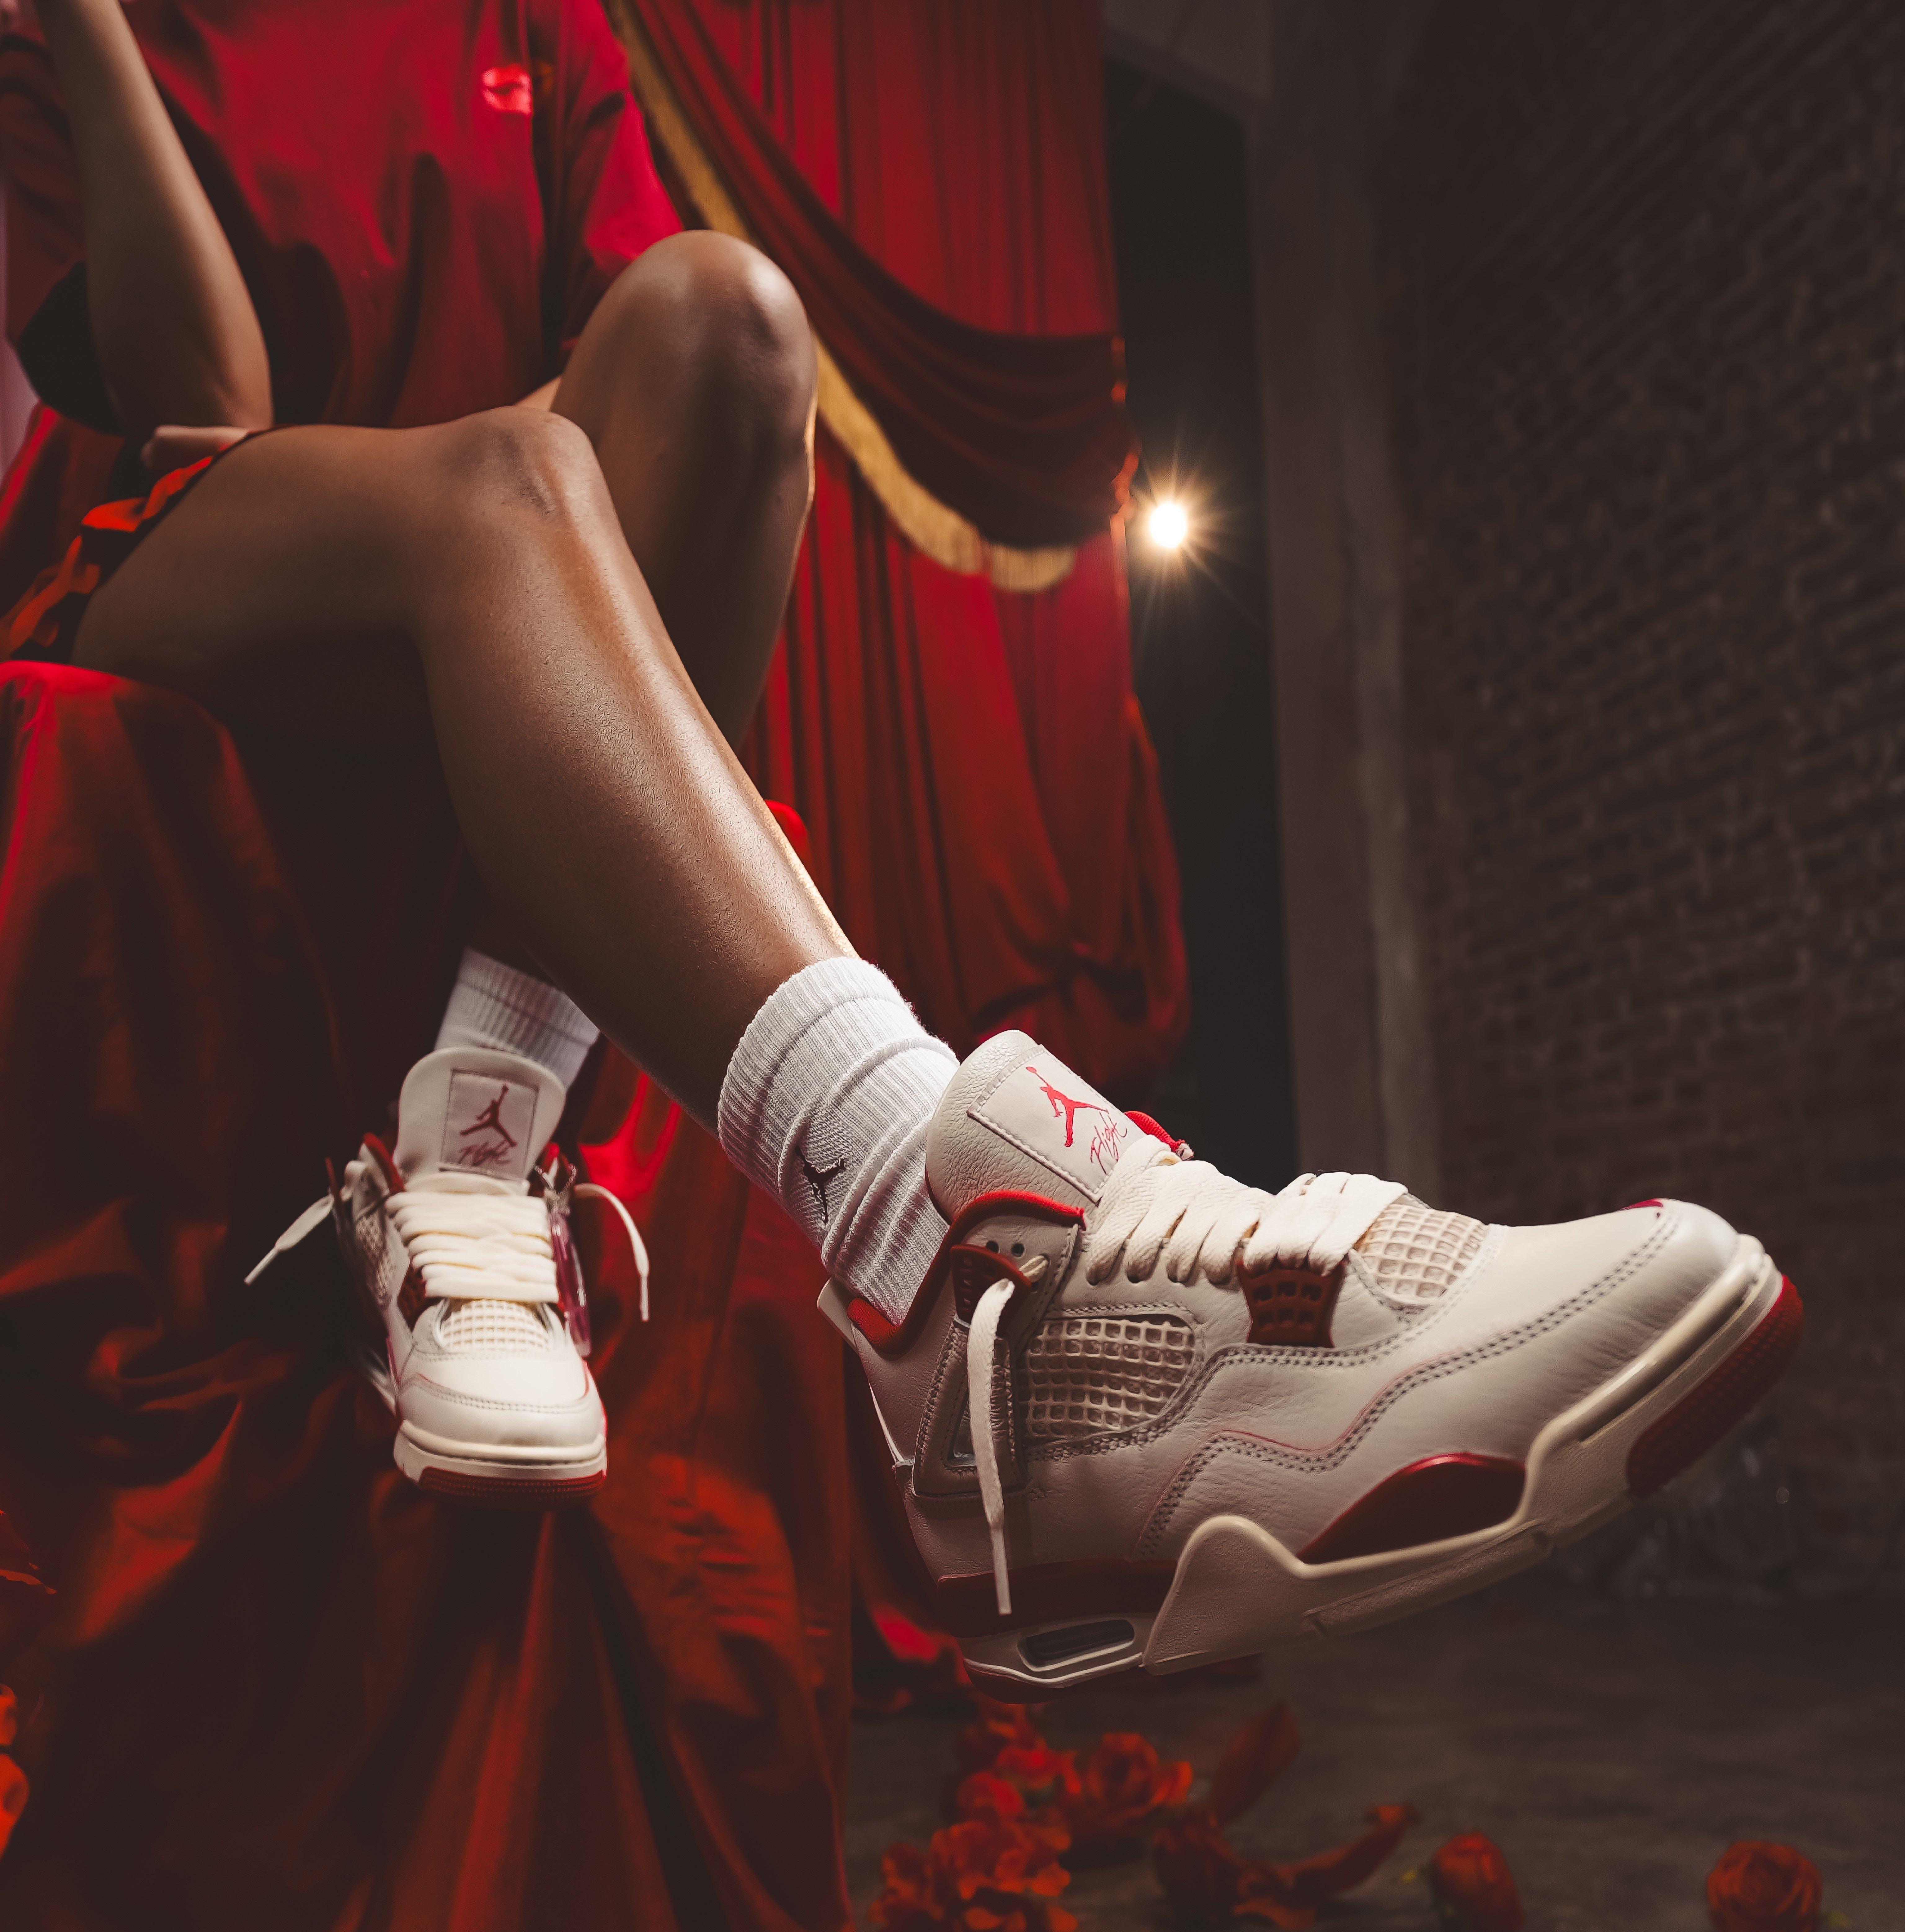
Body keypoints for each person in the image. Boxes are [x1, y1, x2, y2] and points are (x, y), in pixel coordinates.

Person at [2, 0, 1800, 1689]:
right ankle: (962, 1300)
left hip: (488, 573)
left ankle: (487, 1125)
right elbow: (197, 395)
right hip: (176, 572)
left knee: (734, 317)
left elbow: (659, 393)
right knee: (511, 488)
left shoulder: (518, 16)